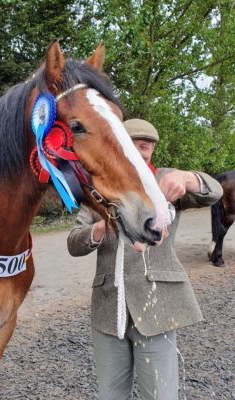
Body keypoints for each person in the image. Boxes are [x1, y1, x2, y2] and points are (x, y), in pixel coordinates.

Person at [67, 118, 223, 400]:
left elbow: (214, 192)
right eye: (135, 144)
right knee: (110, 395)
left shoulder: (165, 181)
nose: (143, 150)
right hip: (108, 311)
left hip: (157, 308)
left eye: (148, 146)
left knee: (161, 395)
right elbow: (74, 243)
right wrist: (102, 227)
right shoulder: (99, 188)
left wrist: (188, 178)